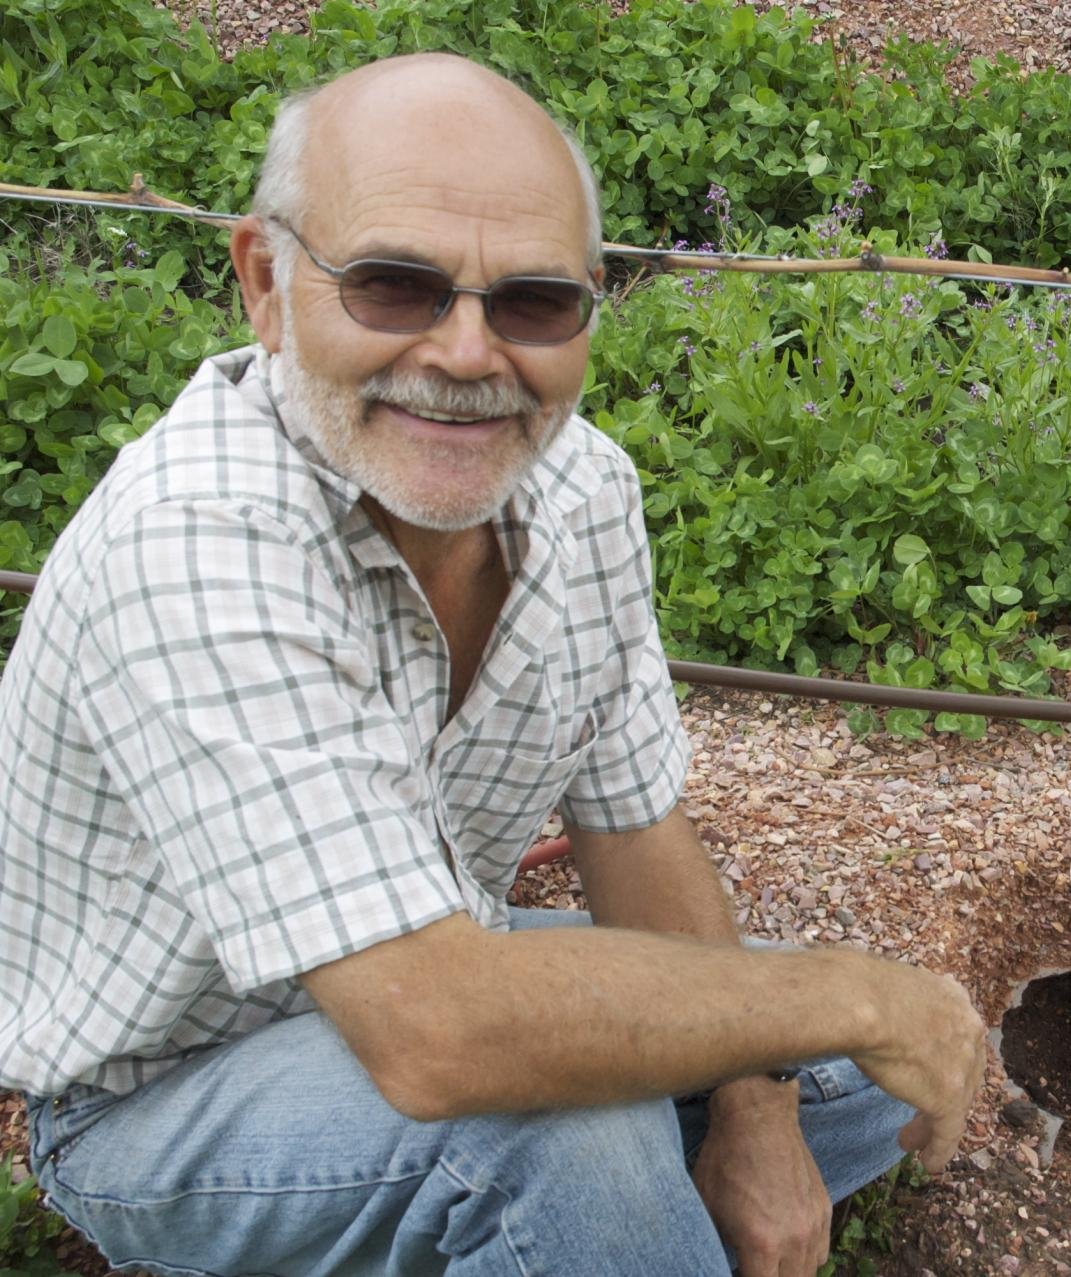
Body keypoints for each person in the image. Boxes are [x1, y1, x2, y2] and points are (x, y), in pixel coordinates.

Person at [0, 52, 987, 1277]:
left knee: (849, 1072)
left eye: (531, 303)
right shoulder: (197, 537)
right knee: (570, 1120)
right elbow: (438, 1036)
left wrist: (757, 1108)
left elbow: (637, 832)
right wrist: (846, 996)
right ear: (266, 280)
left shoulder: (581, 490)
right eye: (395, 286)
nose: (467, 354)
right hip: (159, 1093)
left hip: (423, 962)